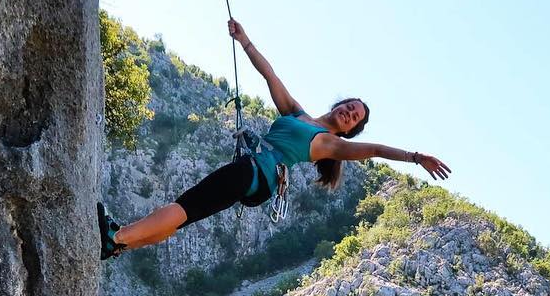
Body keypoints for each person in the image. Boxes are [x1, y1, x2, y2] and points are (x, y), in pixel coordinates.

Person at [99, 18, 451, 259]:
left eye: (354, 116)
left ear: (349, 130)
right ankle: (119, 246)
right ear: (339, 103)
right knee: (184, 217)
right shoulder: (297, 114)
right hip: (256, 177)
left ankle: (116, 236)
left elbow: (373, 149)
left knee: (185, 206)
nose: (349, 112)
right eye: (349, 106)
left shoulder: (329, 143)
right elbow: (270, 75)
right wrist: (244, 40)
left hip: (255, 172)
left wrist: (416, 157)